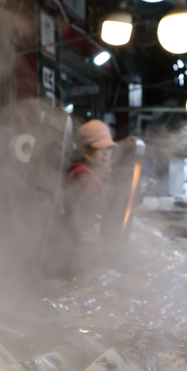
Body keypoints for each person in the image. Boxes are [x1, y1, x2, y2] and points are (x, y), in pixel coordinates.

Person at [50, 119, 116, 278]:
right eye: (99, 148)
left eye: (108, 148)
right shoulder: (81, 174)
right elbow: (97, 205)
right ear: (86, 149)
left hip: (87, 242)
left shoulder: (96, 173)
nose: (106, 153)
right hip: (77, 246)